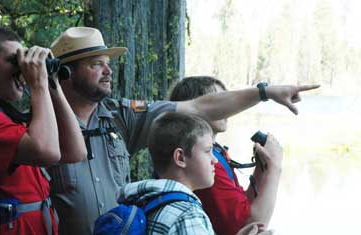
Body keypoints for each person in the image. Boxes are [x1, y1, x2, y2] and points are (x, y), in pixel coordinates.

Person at [49, 26, 319, 234]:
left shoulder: (121, 118)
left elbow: (197, 108)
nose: (109, 70)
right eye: (96, 64)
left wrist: (265, 92)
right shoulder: (42, 129)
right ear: (64, 74)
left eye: (108, 61)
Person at [0, 26, 86, 235]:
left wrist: (52, 85)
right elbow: (48, 152)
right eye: (15, 61)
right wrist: (38, 85)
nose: (24, 68)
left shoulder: (5, 114)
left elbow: (75, 151)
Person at [117, 112, 273, 235]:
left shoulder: (147, 201)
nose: (215, 161)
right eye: (207, 151)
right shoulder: (187, 216)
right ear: (180, 157)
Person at [169, 76, 283, 235]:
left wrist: (262, 169)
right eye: (222, 101)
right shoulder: (201, 161)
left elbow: (243, 206)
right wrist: (275, 168)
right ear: (199, 106)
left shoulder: (213, 152)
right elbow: (251, 227)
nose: (230, 108)